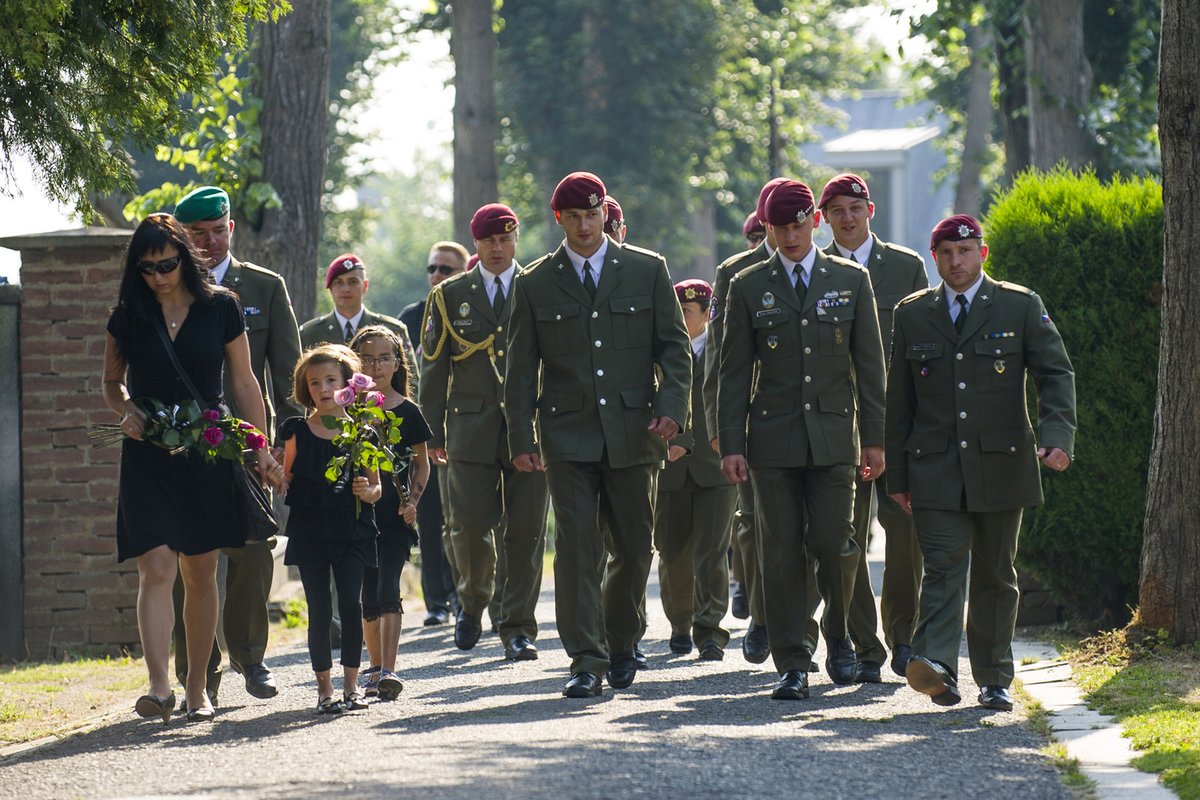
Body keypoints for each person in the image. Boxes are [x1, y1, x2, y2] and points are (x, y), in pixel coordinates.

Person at [505, 171, 691, 697]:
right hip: (567, 435)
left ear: (606, 214)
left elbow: (674, 350)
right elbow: (520, 369)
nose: (585, 225)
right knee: (577, 548)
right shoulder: (537, 281)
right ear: (558, 219)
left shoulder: (646, 269)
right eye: (574, 217)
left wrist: (672, 408)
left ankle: (622, 641)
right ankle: (586, 659)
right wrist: (521, 438)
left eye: (593, 215)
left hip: (634, 430)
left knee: (634, 548)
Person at [886, 214, 1076, 711]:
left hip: (1002, 463)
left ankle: (994, 678)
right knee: (943, 567)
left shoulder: (1018, 305)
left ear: (982, 254)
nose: (956, 262)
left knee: (995, 573)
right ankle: (938, 665)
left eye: (965, 251)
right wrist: (898, 478)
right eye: (946, 253)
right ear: (935, 259)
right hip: (934, 468)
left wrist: (1058, 436)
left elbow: (1054, 374)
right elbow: (899, 404)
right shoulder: (912, 315)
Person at [102, 213, 280, 722]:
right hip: (149, 453)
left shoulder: (220, 308)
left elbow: (245, 383)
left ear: (185, 257)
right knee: (154, 566)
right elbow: (112, 384)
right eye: (147, 268)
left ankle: (198, 688)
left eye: (167, 264)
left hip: (208, 449)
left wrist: (259, 447)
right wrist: (127, 411)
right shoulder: (127, 316)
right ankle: (160, 688)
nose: (158, 276)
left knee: (200, 572)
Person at [716, 179, 887, 700]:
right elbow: (733, 372)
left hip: (836, 439)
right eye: (778, 227)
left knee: (836, 543)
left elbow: (870, 367)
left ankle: (838, 637)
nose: (789, 236)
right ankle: (793, 660)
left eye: (797, 224)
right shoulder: (748, 285)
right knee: (781, 551)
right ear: (765, 228)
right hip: (772, 440)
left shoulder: (851, 279)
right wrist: (731, 444)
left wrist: (874, 440)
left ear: (815, 221)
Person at [172, 185, 302, 705]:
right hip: (188, 443)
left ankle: (252, 657)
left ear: (232, 228)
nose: (209, 242)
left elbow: (287, 373)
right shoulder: (169, 288)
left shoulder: (263, 286)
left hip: (251, 442)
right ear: (184, 237)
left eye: (217, 230)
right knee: (190, 558)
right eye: (197, 234)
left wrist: (287, 446)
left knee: (253, 550)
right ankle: (196, 674)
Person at [420, 204, 550, 659]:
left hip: (528, 429)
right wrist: (430, 434)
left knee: (526, 531)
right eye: (489, 240)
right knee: (470, 527)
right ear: (475, 244)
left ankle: (516, 626)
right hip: (469, 429)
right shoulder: (451, 294)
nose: (498, 248)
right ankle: (472, 603)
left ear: (517, 241)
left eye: (506, 239)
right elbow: (433, 369)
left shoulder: (540, 285)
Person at [817, 173, 929, 682]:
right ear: (824, 218)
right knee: (844, 541)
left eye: (854, 207)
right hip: (836, 423)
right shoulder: (813, 272)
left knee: (904, 533)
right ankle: (863, 644)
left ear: (871, 210)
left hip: (899, 424)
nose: (847, 217)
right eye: (836, 209)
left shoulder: (906, 268)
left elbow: (925, 349)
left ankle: (903, 638)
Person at [703, 177, 790, 666]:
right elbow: (719, 358)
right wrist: (720, 426)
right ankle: (761, 615)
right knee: (756, 525)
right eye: (765, 229)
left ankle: (799, 620)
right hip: (752, 424)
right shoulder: (734, 274)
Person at [277, 344, 382, 714]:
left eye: (331, 380)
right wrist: (276, 475)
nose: (323, 389)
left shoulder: (362, 433)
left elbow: (376, 487)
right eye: (314, 382)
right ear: (306, 388)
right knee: (320, 610)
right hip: (310, 531)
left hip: (352, 530)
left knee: (351, 607)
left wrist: (366, 491)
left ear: (348, 384)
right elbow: (284, 476)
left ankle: (352, 687)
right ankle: (325, 691)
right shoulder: (295, 431)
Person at [654, 279, 737, 661]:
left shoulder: (725, 350)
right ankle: (679, 624)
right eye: (677, 310)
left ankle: (710, 630)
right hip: (668, 469)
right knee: (671, 552)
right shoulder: (660, 353)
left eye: (687, 311)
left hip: (714, 466)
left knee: (712, 551)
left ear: (707, 314)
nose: (681, 317)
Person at [348, 326, 430, 700]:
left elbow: (422, 465)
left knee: (387, 588)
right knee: (367, 593)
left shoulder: (408, 411)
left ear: (397, 363)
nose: (375, 365)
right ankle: (375, 665)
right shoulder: (347, 409)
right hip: (358, 515)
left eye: (383, 358)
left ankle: (389, 670)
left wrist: (412, 501)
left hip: (394, 516)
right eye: (366, 358)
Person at [400, 242, 467, 627]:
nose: (437, 276)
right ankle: (436, 602)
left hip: (461, 427)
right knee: (428, 517)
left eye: (446, 269)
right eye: (433, 268)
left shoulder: (470, 313)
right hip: (419, 433)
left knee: (459, 516)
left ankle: (463, 595)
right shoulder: (410, 318)